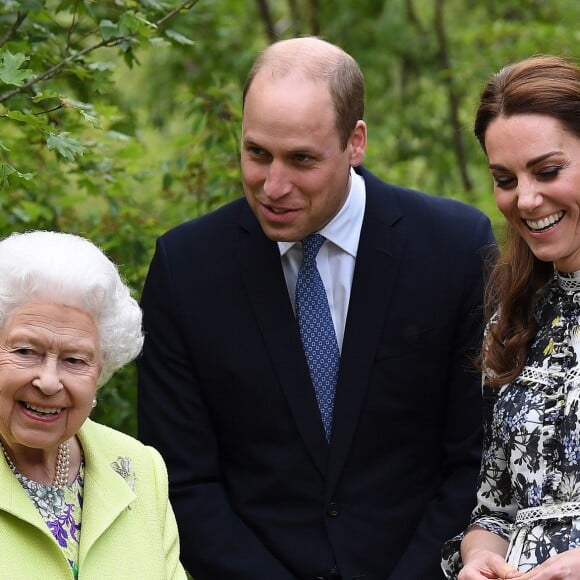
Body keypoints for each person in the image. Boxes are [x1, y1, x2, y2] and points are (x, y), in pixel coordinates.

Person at [137, 36, 496, 580]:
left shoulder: (454, 247)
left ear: (355, 142)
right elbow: (180, 479)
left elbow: (475, 456)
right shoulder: (186, 267)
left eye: (301, 159)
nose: (272, 186)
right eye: (256, 153)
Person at [441, 55, 580, 579]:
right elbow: (495, 507)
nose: (525, 198)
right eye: (504, 178)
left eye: (547, 171)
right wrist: (478, 559)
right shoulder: (516, 310)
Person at [0, 231, 187, 579]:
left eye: (74, 360)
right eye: (26, 352)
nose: (50, 381)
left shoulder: (140, 468)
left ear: (101, 369)